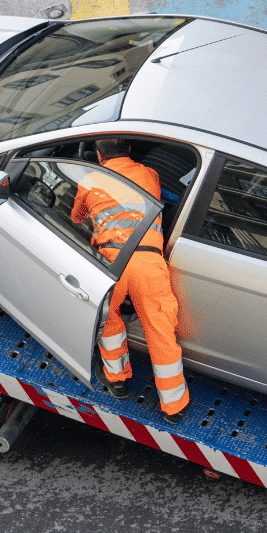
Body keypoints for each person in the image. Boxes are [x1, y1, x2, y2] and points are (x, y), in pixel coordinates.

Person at [71, 138, 191, 424]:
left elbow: (77, 217)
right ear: (128, 151)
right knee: (160, 330)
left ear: (99, 155)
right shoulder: (150, 174)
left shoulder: (90, 178)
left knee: (108, 320)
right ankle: (174, 407)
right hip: (148, 261)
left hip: (111, 262)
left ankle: (117, 380)